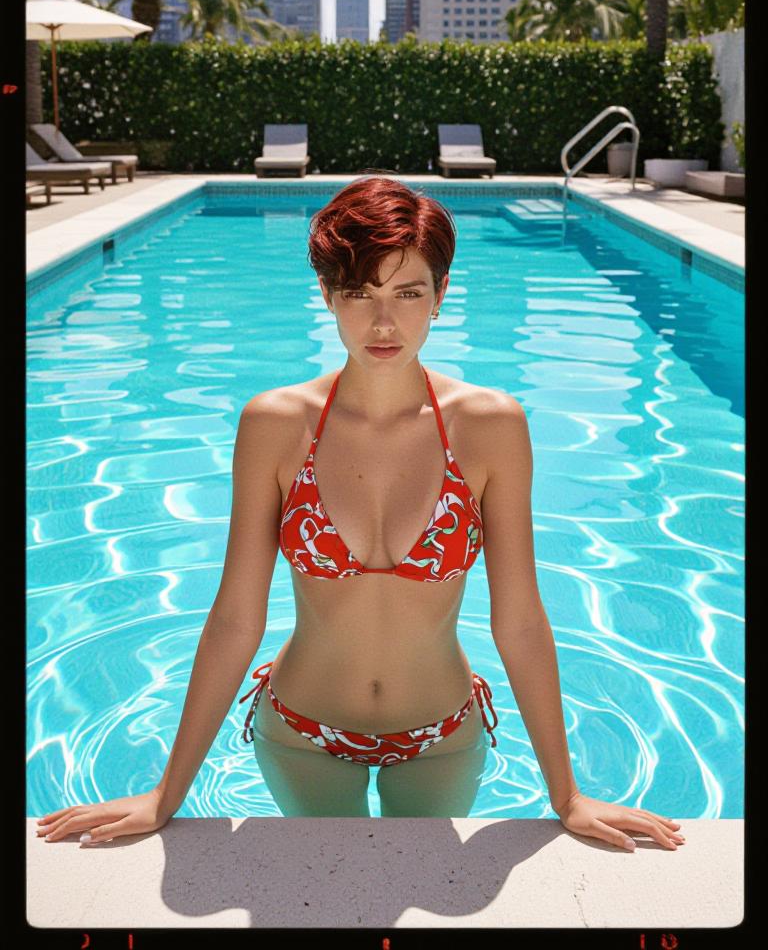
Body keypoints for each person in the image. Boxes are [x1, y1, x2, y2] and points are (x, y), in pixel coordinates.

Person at [36, 177, 685, 849]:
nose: (383, 323)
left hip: (439, 734)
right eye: (359, 295)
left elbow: (518, 618)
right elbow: (236, 618)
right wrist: (166, 795)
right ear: (328, 297)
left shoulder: (489, 425)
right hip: (302, 732)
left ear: (440, 297)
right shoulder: (276, 424)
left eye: (408, 294)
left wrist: (568, 796)